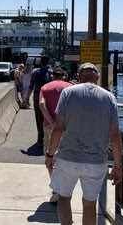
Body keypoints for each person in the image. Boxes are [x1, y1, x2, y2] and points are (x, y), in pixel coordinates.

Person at [45, 63, 122, 225]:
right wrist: (117, 165)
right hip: (96, 160)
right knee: (89, 204)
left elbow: (58, 129)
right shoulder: (109, 98)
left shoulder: (68, 93)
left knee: (64, 198)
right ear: (98, 77)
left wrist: (50, 154)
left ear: (78, 76)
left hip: (67, 158)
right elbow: (115, 136)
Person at [39, 67, 72, 203]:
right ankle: (63, 187)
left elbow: (41, 104)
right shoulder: (71, 87)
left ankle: (56, 189)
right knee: (65, 157)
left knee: (50, 156)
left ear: (52, 77)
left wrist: (51, 121)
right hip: (68, 127)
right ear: (64, 77)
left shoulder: (45, 88)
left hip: (49, 126)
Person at [27, 55, 52, 147]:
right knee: (46, 118)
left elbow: (31, 86)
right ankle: (44, 137)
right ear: (48, 62)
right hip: (48, 98)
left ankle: (40, 138)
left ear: (40, 62)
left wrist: (26, 98)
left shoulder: (35, 72)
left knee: (39, 118)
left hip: (37, 97)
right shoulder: (50, 73)